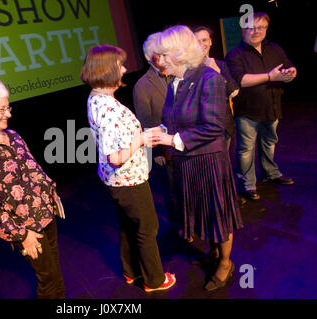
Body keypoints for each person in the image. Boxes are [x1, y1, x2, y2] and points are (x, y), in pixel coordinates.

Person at [151, 25, 243, 291]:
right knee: (204, 213)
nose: (160, 60)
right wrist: (163, 131)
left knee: (219, 215)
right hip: (187, 162)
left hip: (209, 162)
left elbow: (214, 126)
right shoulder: (174, 84)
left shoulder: (210, 79)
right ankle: (215, 251)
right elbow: (175, 121)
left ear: (179, 54)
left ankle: (225, 262)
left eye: (164, 55)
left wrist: (172, 140)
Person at [80, 44, 176, 292]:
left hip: (115, 181)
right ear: (108, 70)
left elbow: (117, 139)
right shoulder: (108, 109)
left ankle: (131, 272)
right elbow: (114, 156)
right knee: (147, 228)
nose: (124, 69)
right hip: (128, 180)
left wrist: (143, 133)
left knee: (127, 225)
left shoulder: (96, 97)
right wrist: (141, 140)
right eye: (120, 65)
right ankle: (155, 280)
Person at [0, 75, 65, 299]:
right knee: (48, 279)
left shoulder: (14, 136)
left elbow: (33, 169)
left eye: (8, 107)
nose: (8, 113)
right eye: (1, 109)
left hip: (47, 215)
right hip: (27, 230)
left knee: (56, 274)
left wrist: (51, 192)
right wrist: (22, 235)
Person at [225, 12, 297, 200]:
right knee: (246, 150)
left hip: (272, 107)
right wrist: (270, 77)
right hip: (248, 111)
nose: (256, 31)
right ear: (243, 30)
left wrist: (291, 72)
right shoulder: (235, 54)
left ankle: (270, 173)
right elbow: (240, 80)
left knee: (269, 144)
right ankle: (248, 185)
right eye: (251, 27)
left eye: (261, 27)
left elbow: (288, 66)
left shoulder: (274, 48)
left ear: (266, 29)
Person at [132, 32, 178, 236]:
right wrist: (157, 151)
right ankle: (179, 226)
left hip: (185, 142)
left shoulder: (178, 73)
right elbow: (145, 121)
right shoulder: (142, 85)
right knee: (171, 190)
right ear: (149, 56)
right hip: (163, 149)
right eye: (159, 52)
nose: (164, 56)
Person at [193, 26, 240, 151]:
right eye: (197, 41)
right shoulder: (188, 69)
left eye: (204, 40)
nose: (202, 44)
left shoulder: (220, 65)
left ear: (210, 42)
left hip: (223, 127)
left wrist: (217, 71)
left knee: (224, 164)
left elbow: (233, 92)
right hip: (200, 127)